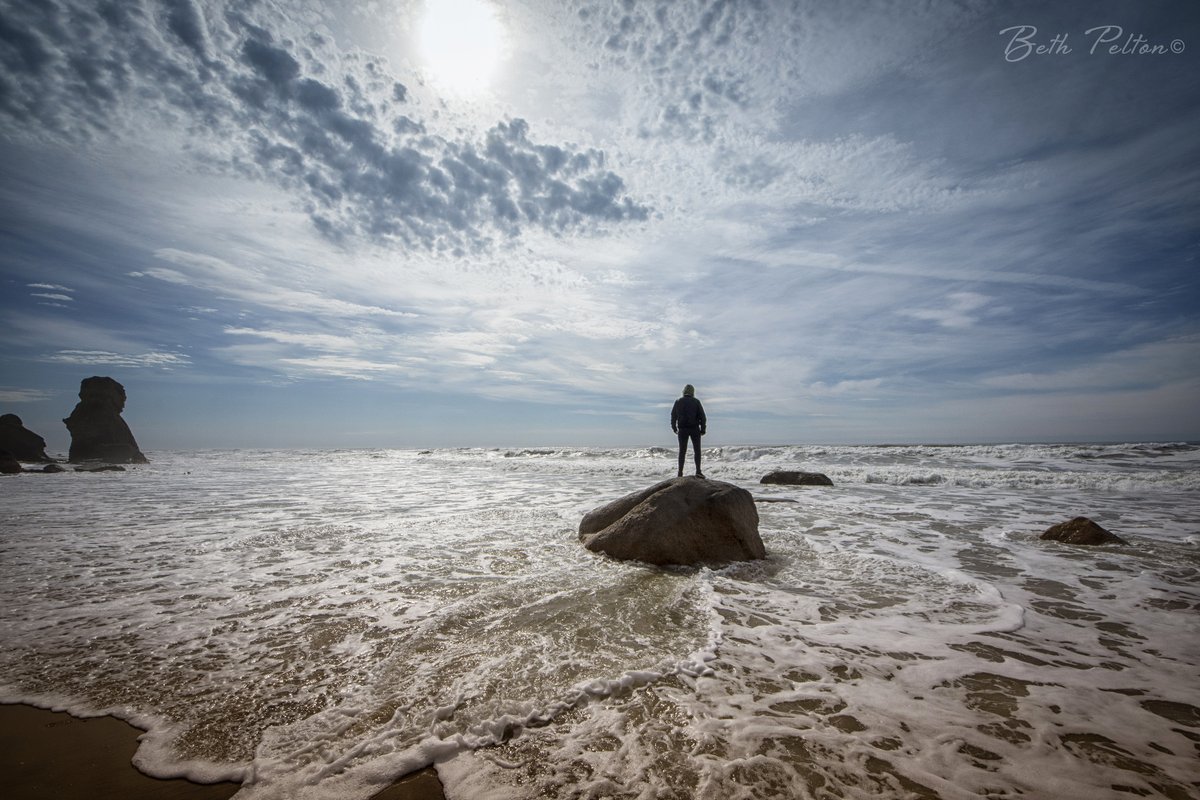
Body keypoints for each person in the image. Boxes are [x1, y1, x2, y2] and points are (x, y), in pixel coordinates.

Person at [670, 384, 707, 478]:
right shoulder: (696, 401)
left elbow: (673, 416)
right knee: (697, 451)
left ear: (684, 391)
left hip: (682, 429)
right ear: (692, 392)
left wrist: (674, 428)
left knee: (682, 451)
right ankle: (698, 471)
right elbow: (702, 416)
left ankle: (680, 472)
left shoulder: (678, 401)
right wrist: (703, 429)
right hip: (694, 429)